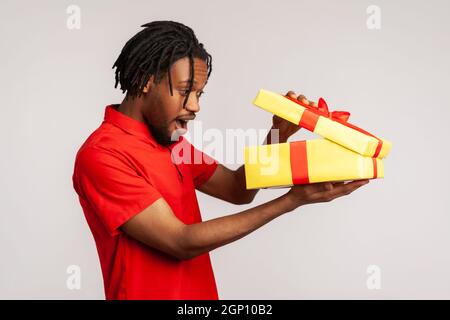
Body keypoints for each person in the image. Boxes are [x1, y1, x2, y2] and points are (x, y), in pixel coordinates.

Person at [72, 20, 369, 300]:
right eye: (186, 91)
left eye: (199, 93)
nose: (195, 106)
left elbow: (238, 190)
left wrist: (277, 134)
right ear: (145, 81)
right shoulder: (102, 155)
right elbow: (180, 241)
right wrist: (292, 200)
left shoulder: (171, 141)